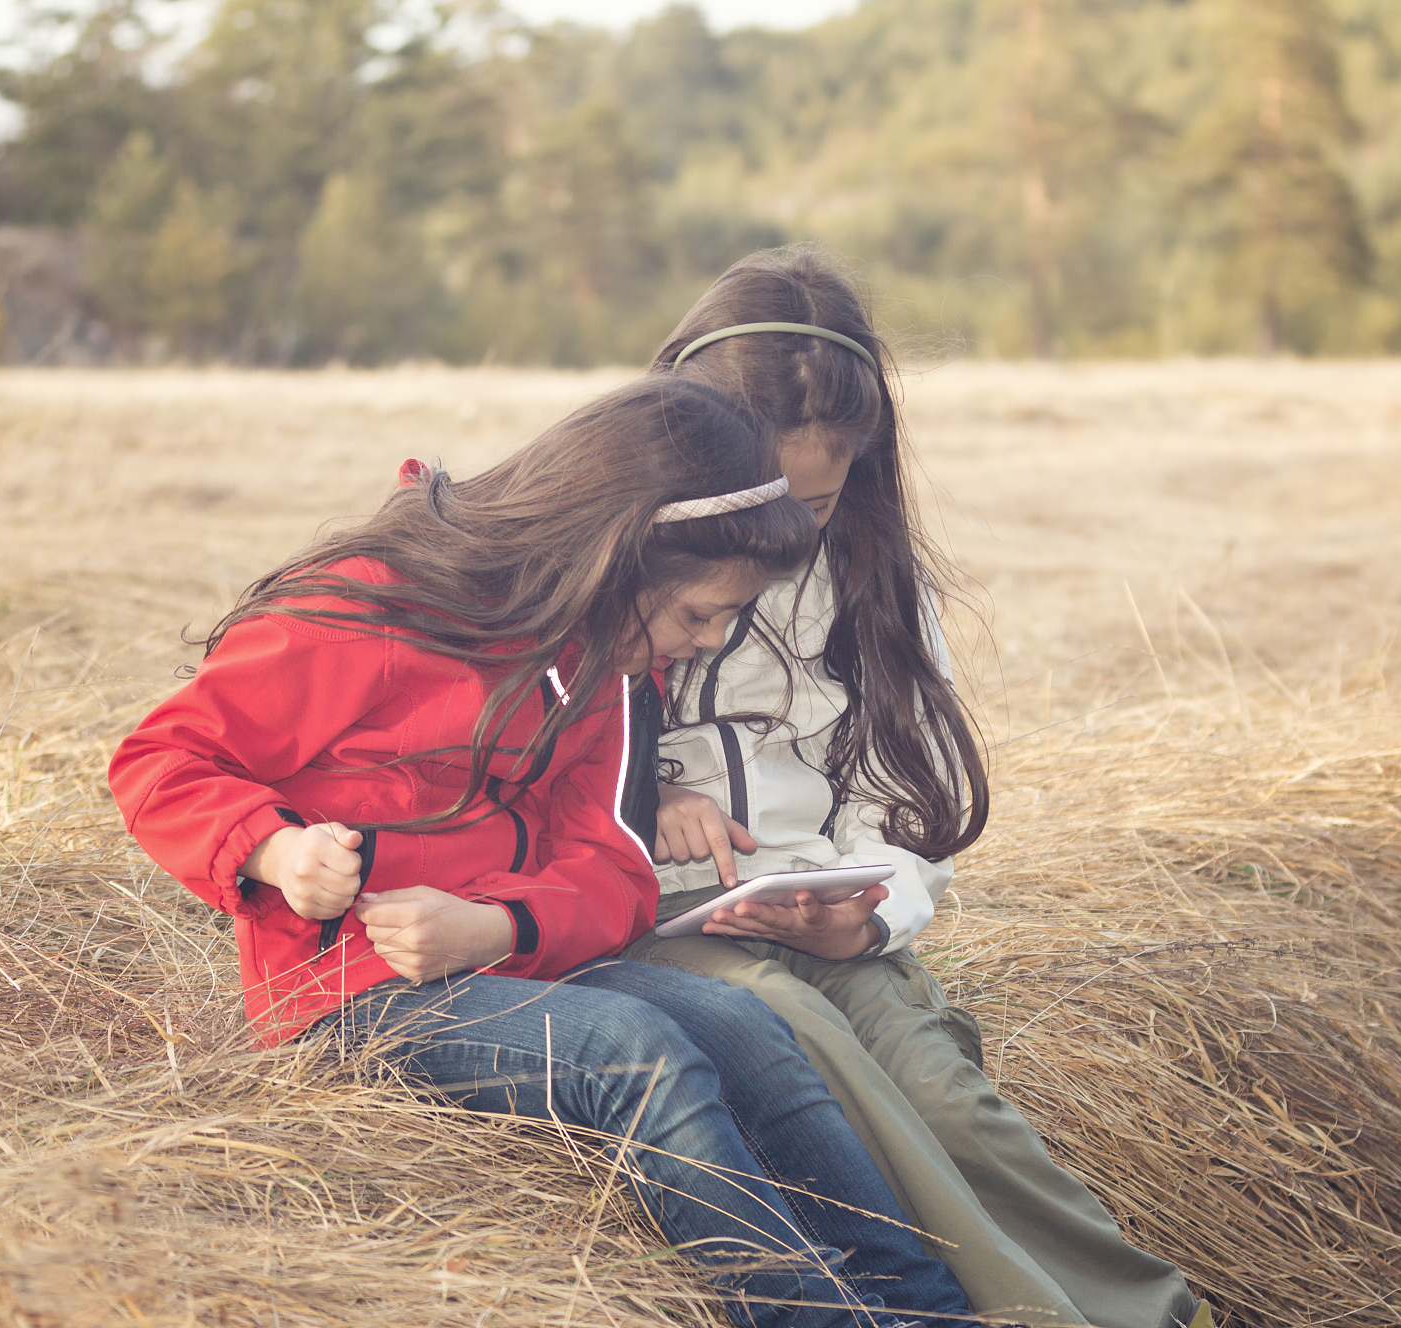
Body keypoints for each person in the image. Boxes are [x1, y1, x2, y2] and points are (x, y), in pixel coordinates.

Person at [109, 376, 979, 1328]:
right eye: (700, 615)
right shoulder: (379, 607)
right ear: (617, 553)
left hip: (515, 965)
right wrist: (277, 852)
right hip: (346, 993)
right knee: (632, 1052)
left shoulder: (608, 665)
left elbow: (614, 869)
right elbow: (162, 760)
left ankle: (932, 1313)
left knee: (746, 1028)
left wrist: (494, 928)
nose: (709, 641)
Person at [634, 249, 1208, 1328]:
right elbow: (541, 749)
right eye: (764, 494)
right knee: (808, 1046)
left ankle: (1156, 1315)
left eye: (816, 499)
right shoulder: (617, 556)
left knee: (945, 1097)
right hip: (653, 916)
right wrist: (641, 798)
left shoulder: (871, 582)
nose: (789, 529)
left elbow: (906, 800)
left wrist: (868, 915)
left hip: (821, 910)